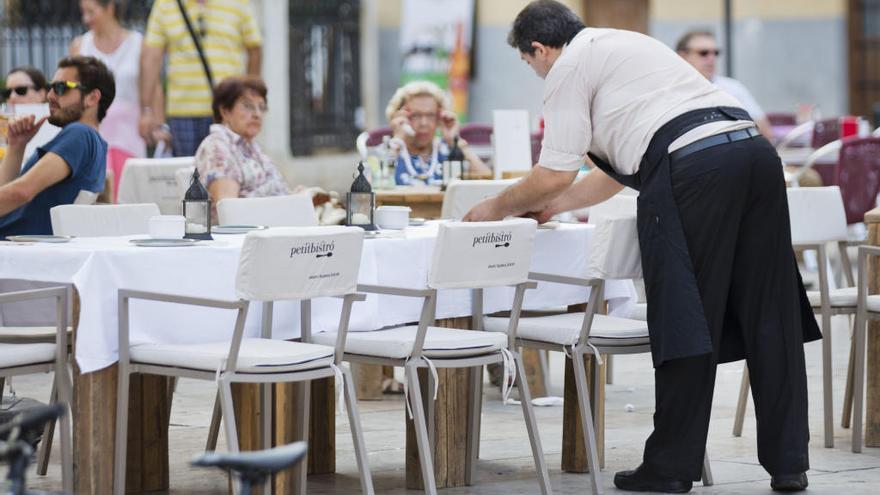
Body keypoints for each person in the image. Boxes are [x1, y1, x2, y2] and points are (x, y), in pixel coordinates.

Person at [465, 1, 819, 492]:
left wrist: (493, 208)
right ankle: (789, 463)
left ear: (540, 49)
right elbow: (616, 172)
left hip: (694, 169)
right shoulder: (623, 44)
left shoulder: (567, 69)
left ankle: (670, 468)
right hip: (753, 155)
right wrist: (557, 206)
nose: (535, 72)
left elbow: (553, 174)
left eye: (530, 63)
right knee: (769, 311)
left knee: (688, 315)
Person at [0, 56, 113, 237]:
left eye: (61, 88)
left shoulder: (80, 134)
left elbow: (22, 192)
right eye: (51, 87)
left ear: (92, 97)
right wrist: (17, 146)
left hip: (17, 252)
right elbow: (10, 193)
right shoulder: (92, 141)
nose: (50, 95)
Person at [140, 0, 263, 157]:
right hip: (182, 113)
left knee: (227, 172)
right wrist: (147, 111)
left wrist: (248, 100)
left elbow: (255, 50)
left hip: (227, 111)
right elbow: (151, 58)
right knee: (188, 176)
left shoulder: (239, 3)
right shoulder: (165, 4)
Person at [70, 0, 158, 199]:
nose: (86, 19)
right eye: (83, 13)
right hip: (94, 128)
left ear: (109, 8)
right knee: (97, 193)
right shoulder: (80, 45)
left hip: (130, 131)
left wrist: (150, 115)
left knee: (130, 191)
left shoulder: (138, 42)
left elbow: (153, 85)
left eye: (91, 12)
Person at [194, 76, 288, 203]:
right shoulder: (216, 147)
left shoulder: (252, 148)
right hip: (252, 222)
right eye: (248, 106)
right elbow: (229, 209)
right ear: (225, 111)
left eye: (262, 107)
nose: (257, 114)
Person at [385, 80, 489, 186]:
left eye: (430, 115)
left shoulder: (448, 151)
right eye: (415, 115)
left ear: (440, 117)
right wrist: (397, 141)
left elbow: (487, 181)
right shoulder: (390, 151)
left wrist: (455, 141)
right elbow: (373, 187)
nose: (423, 123)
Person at [676, 30, 774, 140]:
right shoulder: (671, 91)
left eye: (716, 53)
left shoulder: (733, 87)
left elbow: (765, 132)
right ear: (682, 55)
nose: (711, 58)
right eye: (703, 53)